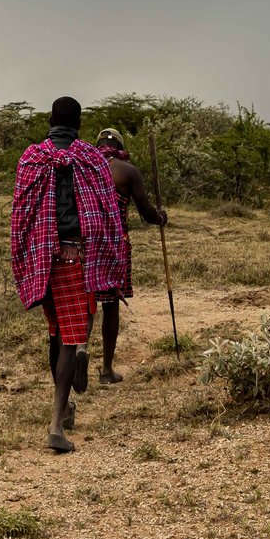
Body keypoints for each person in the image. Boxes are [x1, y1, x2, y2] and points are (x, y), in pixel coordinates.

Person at [8, 96, 129, 453]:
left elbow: (20, 213)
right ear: (79, 124)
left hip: (40, 259)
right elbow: (108, 213)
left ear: (50, 120)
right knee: (70, 340)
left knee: (56, 333)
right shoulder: (92, 160)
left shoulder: (31, 157)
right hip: (75, 259)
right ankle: (56, 424)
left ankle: (66, 408)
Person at [90, 128, 167, 384]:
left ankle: (79, 350)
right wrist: (161, 218)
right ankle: (106, 370)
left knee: (85, 303)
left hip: (83, 244)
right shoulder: (128, 170)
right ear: (120, 147)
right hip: (114, 245)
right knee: (110, 304)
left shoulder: (82, 166)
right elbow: (147, 213)